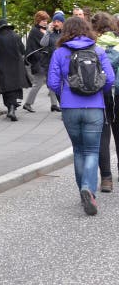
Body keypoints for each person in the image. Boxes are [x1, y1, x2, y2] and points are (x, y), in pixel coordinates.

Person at [47, 16, 115, 215]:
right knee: (92, 151)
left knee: (78, 150)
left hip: (70, 107)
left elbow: (52, 83)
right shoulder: (98, 50)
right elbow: (110, 79)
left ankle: (82, 191)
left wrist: (64, 96)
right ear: (87, 30)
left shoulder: (60, 53)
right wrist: (98, 93)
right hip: (94, 107)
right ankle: (88, 189)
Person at [92, 12, 119, 192]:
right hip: (118, 93)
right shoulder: (118, 44)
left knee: (102, 136)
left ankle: (107, 179)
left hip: (99, 95)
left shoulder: (91, 46)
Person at [0, 18, 29, 122]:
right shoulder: (16, 36)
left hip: (3, 67)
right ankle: (13, 108)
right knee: (16, 88)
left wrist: (1, 57)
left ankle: (10, 109)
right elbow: (22, 50)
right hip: (17, 67)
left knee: (6, 89)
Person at [23, 10, 60, 113]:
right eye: (43, 20)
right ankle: (27, 103)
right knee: (38, 83)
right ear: (38, 20)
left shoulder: (45, 30)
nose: (45, 22)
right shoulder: (35, 31)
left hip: (47, 61)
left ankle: (54, 104)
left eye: (46, 20)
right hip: (39, 61)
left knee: (51, 83)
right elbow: (41, 45)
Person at [40, 11, 65, 112]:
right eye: (54, 21)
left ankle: (64, 108)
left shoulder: (66, 34)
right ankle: (59, 104)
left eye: (58, 21)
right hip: (51, 63)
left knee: (64, 86)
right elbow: (42, 44)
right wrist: (48, 32)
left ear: (63, 23)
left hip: (64, 64)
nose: (56, 23)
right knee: (54, 86)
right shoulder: (50, 33)